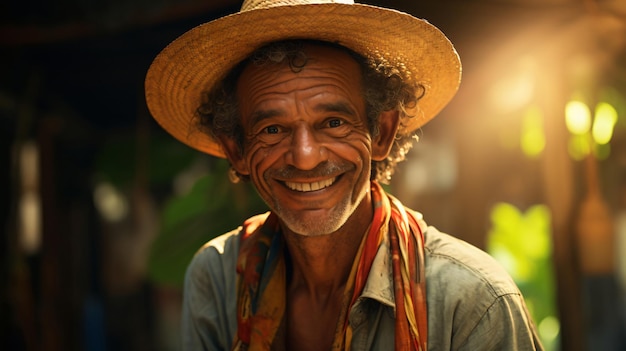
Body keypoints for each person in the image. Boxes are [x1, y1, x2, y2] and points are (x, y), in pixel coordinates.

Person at [145, 0, 544, 350]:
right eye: (272, 129)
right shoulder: (219, 279)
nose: (304, 157)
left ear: (382, 133)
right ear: (237, 150)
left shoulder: (471, 301)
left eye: (333, 122)